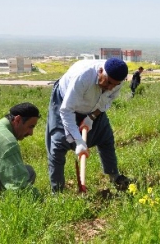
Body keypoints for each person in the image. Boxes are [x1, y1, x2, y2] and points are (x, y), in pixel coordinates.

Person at [45, 58, 131, 193]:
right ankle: (57, 190)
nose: (110, 87)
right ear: (100, 71)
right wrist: (79, 141)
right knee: (58, 144)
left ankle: (115, 176)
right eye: (108, 82)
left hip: (93, 108)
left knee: (106, 137)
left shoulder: (116, 81)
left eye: (114, 85)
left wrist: (91, 117)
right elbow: (66, 110)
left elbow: (106, 101)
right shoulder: (83, 77)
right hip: (65, 102)